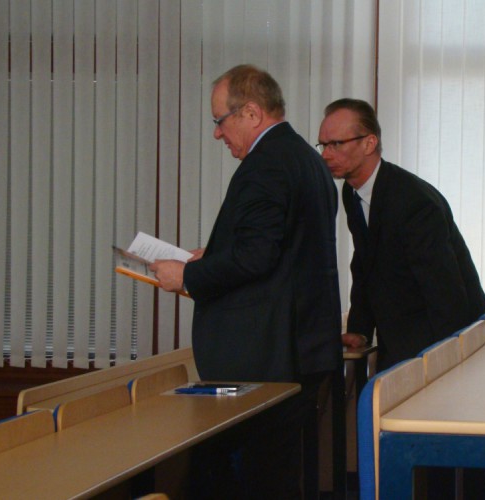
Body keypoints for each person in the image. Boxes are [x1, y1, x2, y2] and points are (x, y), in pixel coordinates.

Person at [151, 65, 342, 499]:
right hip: (299, 348)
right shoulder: (305, 159)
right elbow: (284, 251)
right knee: (277, 475)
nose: (217, 133)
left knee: (262, 480)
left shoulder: (266, 165)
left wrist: (187, 274)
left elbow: (257, 257)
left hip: (268, 357)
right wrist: (215, 255)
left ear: (252, 113)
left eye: (220, 120)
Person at [318, 98, 485, 371]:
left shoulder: (413, 202)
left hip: (443, 342)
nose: (326, 155)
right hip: (404, 337)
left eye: (336, 144)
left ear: (369, 143)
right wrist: (359, 330)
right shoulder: (351, 192)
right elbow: (365, 264)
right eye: (323, 145)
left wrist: (442, 366)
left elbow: (446, 294)